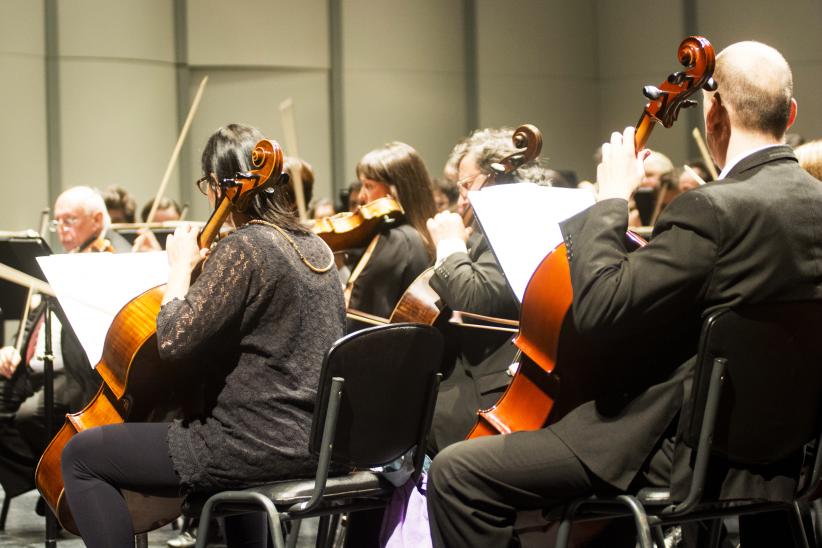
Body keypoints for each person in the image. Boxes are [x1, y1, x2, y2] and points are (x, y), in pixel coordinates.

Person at [427, 40, 822, 548]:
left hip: (678, 450)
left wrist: (612, 199)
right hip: (786, 453)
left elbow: (599, 310)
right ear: (789, 113)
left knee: (458, 474)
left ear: (714, 111)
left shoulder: (712, 211)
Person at [58, 123, 345, 547]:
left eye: (208, 184)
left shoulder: (245, 248)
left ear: (220, 186)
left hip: (252, 445)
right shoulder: (315, 246)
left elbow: (172, 339)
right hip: (316, 443)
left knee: (81, 455)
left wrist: (179, 269)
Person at [424, 127, 547, 453]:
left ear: (494, 177)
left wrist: (450, 245)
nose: (462, 197)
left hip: (491, 393)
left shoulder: (514, 221)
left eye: (467, 185)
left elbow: (475, 299)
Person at [0, 186, 115, 504]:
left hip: (76, 372)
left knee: (28, 416)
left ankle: (55, 488)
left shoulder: (105, 265)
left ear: (95, 221)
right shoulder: (54, 266)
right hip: (33, 367)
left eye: (70, 220)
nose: (62, 229)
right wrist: (12, 350)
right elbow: (30, 324)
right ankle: (47, 485)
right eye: (58, 221)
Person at [345, 142, 436, 330]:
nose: (361, 196)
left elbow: (361, 316)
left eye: (368, 186)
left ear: (396, 192)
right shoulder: (423, 236)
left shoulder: (396, 240)